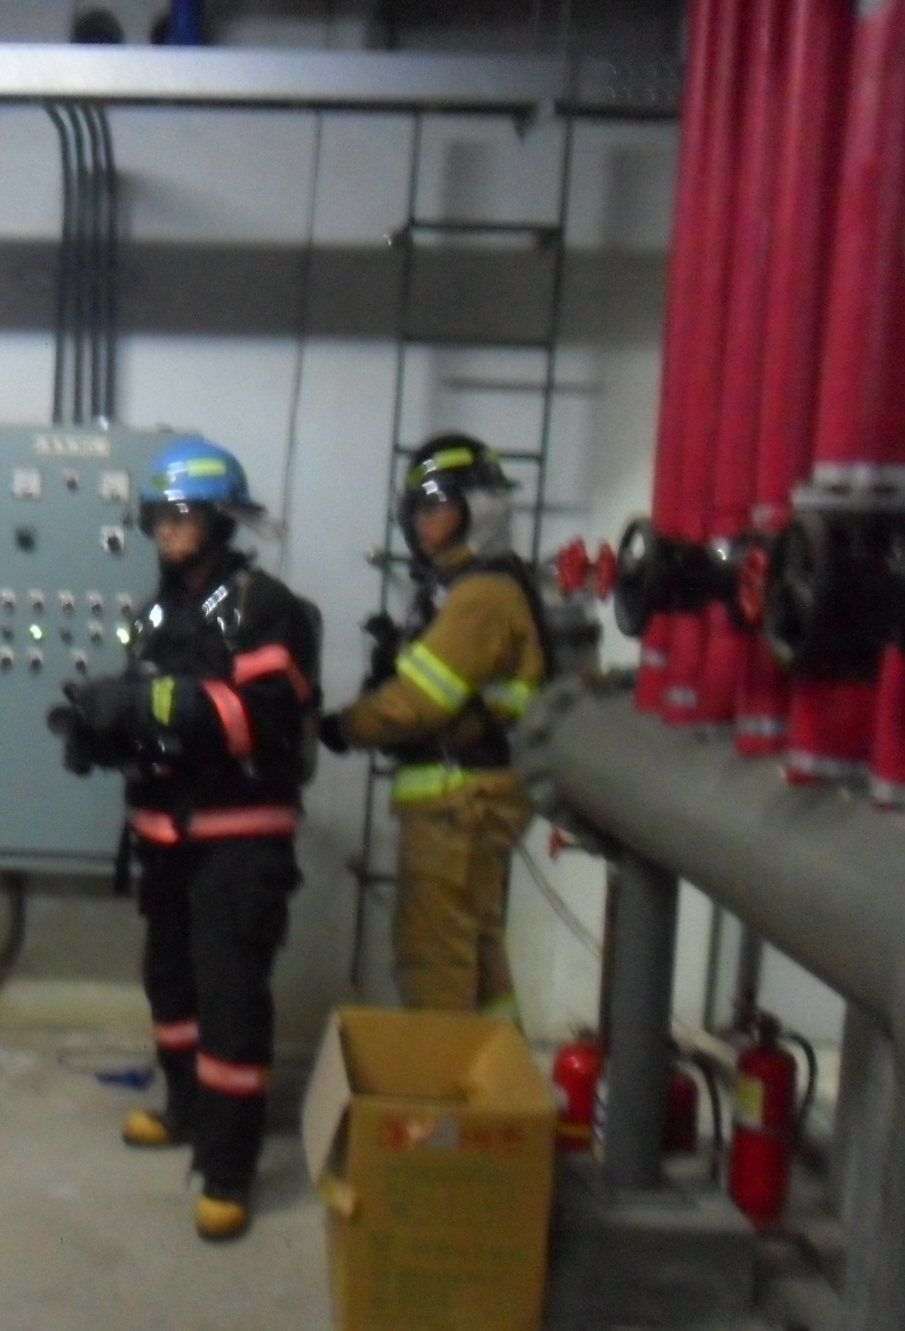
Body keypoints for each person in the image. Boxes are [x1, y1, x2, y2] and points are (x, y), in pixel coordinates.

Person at [52, 437, 319, 1243]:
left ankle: (227, 1169)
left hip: (240, 838)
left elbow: (257, 718)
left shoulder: (264, 606)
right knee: (169, 984)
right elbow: (157, 708)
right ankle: (184, 1109)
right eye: (156, 518)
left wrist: (143, 707)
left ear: (220, 519)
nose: (167, 531)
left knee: (231, 1000)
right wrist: (104, 735)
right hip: (166, 833)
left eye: (182, 515)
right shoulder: (156, 613)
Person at [320, 433, 548, 1017]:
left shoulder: (481, 595)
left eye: (438, 505)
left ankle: (446, 1075)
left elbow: (417, 704)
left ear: (481, 508)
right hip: (470, 799)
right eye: (417, 508)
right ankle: (498, 1067)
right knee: (476, 949)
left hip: (458, 803)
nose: (424, 522)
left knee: (434, 959)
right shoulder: (468, 589)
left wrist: (344, 726)